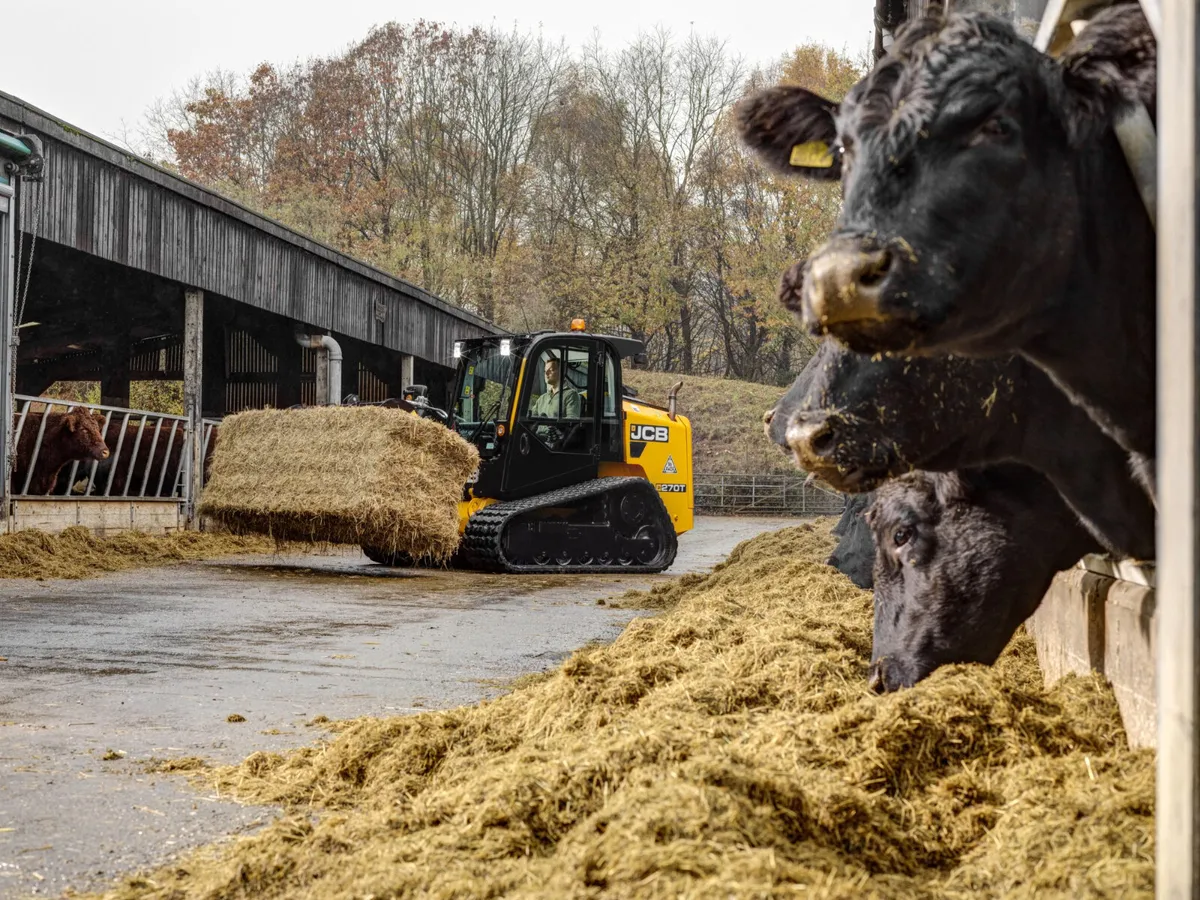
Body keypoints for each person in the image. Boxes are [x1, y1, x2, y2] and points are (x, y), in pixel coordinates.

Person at [529, 355, 581, 419]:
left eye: (551, 370)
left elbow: (572, 420)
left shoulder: (571, 395)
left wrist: (554, 427)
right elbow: (531, 419)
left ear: (562, 372)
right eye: (545, 371)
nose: (546, 373)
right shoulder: (542, 399)